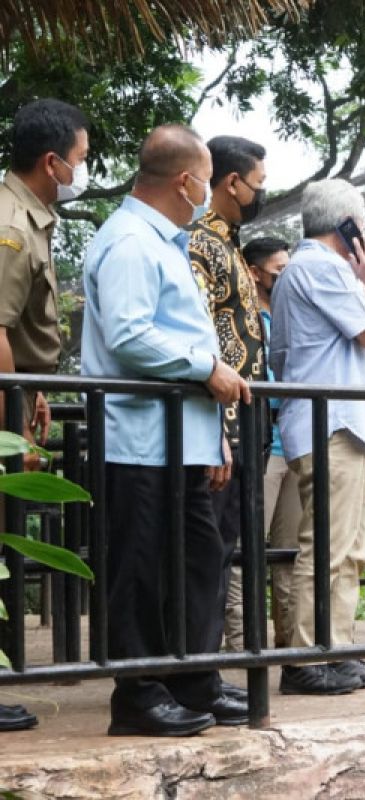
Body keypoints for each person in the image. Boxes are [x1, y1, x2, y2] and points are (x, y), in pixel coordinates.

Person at [81, 124, 251, 736]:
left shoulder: (163, 242)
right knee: (142, 567)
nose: (209, 193)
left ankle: (192, 677)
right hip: (139, 436)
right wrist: (209, 369)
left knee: (197, 561)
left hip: (180, 434)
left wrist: (214, 430)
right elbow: (129, 335)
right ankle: (139, 693)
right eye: (207, 181)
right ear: (186, 181)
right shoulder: (130, 242)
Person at [270, 179, 365, 694]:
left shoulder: (318, 270)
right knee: (324, 545)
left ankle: (337, 650)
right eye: (361, 225)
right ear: (346, 225)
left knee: (350, 548)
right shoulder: (318, 268)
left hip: (346, 424)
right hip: (330, 425)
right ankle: (304, 658)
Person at [0, 98, 89, 732]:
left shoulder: (33, 217)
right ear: (52, 161)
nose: (83, 170)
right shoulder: (8, 221)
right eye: (81, 159)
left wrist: (35, 392)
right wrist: (8, 428)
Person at [186, 136, 268, 657]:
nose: (262, 194)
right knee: (206, 551)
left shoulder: (231, 242)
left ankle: (207, 669)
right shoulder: (200, 242)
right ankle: (197, 668)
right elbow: (196, 334)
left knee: (226, 549)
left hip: (241, 423)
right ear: (231, 182)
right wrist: (219, 428)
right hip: (218, 422)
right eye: (258, 185)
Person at [241, 235, 303, 648]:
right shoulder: (242, 322)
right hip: (258, 443)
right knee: (242, 551)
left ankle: (289, 647)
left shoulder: (289, 316)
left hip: (291, 441)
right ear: (254, 272)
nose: (282, 279)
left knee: (291, 555)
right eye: (277, 272)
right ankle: (238, 645)